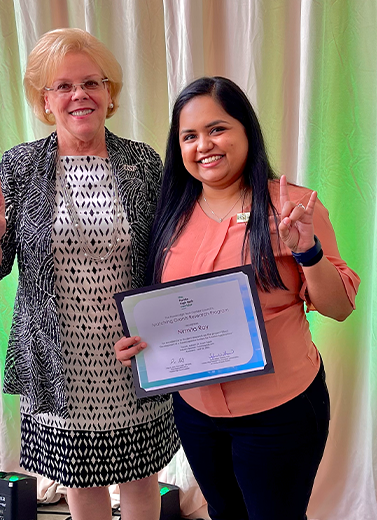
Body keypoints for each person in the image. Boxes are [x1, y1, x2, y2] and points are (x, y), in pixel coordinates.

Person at [115, 76, 360, 520]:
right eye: (189, 136)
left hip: (280, 411)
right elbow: (165, 306)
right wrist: (143, 342)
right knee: (223, 514)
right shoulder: (171, 215)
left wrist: (307, 250)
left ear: (246, 130)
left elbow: (339, 308)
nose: (204, 145)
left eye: (217, 129)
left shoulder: (293, 208)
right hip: (195, 413)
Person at [0, 28, 179, 520]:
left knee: (141, 480)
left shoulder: (142, 162)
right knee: (81, 482)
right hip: (59, 359)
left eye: (92, 83)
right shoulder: (20, 165)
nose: (79, 94)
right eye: (63, 85)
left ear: (109, 93)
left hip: (135, 351)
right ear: (45, 100)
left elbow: (167, 255)